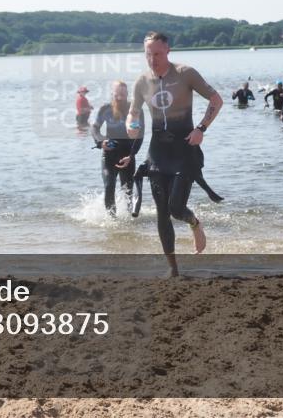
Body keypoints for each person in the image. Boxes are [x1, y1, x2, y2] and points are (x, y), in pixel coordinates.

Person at [127, 32, 224, 277]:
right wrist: (131, 124)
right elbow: (133, 112)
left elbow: (216, 100)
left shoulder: (185, 73)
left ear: (168, 50)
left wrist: (201, 128)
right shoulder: (142, 81)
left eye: (157, 54)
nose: (153, 59)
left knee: (175, 208)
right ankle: (173, 268)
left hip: (184, 149)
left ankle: (194, 223)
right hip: (157, 152)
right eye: (148, 54)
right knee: (162, 212)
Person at [90, 81, 145, 216]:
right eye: (117, 94)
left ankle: (129, 220)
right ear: (112, 94)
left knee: (128, 191)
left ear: (127, 94)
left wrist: (131, 155)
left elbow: (140, 135)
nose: (120, 97)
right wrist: (100, 142)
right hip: (109, 155)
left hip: (127, 156)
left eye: (123, 94)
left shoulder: (136, 110)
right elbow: (95, 128)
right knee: (109, 186)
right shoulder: (105, 109)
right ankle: (112, 220)